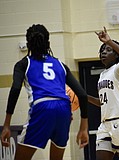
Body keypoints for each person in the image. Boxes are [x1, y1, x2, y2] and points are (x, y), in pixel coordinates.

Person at [0, 24, 89, 160]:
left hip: (42, 106)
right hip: (64, 108)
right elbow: (82, 94)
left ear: (29, 43)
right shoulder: (60, 65)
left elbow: (15, 89)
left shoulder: (24, 63)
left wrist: (6, 125)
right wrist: (83, 128)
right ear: (48, 43)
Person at [88, 27, 119, 160]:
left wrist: (109, 41)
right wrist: (83, 96)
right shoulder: (103, 75)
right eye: (102, 50)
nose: (103, 52)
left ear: (116, 55)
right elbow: (102, 103)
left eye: (108, 50)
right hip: (105, 124)